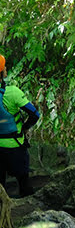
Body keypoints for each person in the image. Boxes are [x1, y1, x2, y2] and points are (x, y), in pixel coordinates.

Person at [0, 55, 39, 197]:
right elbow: (35, 115)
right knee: (24, 184)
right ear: (3, 71)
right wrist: (25, 127)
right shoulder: (13, 92)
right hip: (15, 146)